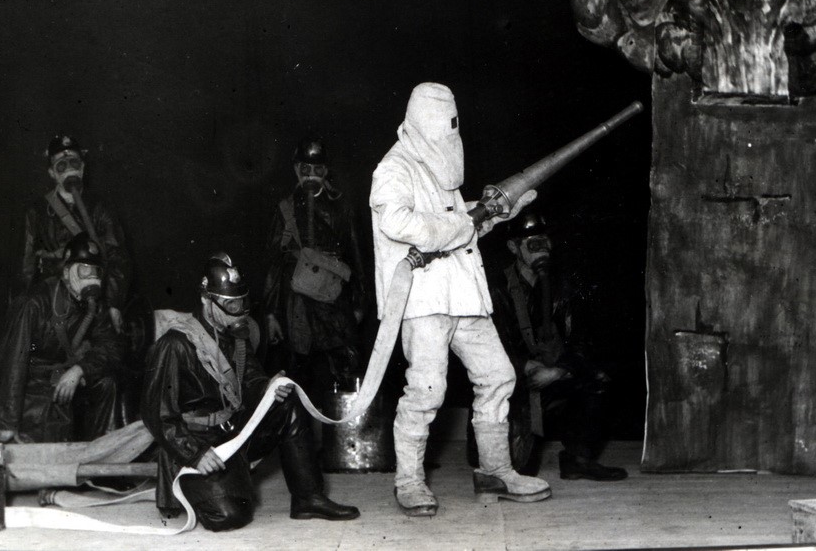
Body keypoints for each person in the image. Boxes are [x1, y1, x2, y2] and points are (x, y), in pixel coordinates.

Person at [369, 82, 549, 517]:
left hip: (464, 294)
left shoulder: (440, 163)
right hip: (423, 299)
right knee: (426, 391)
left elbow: (458, 221)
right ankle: (409, 482)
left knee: (499, 376)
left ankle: (495, 471)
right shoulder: (393, 168)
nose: (451, 135)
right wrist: (464, 223)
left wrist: (494, 212)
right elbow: (400, 222)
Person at [140, 252, 360, 531]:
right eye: (230, 304)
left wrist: (268, 388)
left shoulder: (235, 336)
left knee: (287, 403)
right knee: (230, 515)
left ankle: (308, 498)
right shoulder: (176, 344)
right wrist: (195, 453)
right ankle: (193, 490)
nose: (239, 311)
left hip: (233, 433)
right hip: (197, 443)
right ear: (206, 300)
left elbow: (250, 380)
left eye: (241, 302)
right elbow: (156, 412)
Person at [484, 211, 628, 481]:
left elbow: (582, 340)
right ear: (514, 247)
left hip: (551, 376)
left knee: (598, 380)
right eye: (533, 244)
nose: (543, 250)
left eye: (545, 242)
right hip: (514, 383)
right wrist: (524, 366)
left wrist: (558, 371)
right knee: (519, 471)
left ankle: (578, 459)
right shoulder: (496, 288)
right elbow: (485, 345)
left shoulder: (562, 286)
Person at [0, 232, 122, 443]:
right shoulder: (34, 303)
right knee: (41, 430)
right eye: (84, 270)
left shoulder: (94, 306)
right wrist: (6, 424)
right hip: (28, 383)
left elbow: (112, 347)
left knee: (106, 383)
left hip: (61, 374)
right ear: (67, 272)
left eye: (97, 271)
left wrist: (80, 370)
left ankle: (101, 452)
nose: (92, 278)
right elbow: (13, 363)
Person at [262, 137, 367, 394]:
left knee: (343, 372)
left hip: (334, 302)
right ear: (295, 168)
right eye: (304, 168)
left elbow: (358, 258)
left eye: (317, 168)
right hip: (295, 303)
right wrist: (271, 314)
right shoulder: (285, 209)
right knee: (297, 374)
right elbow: (274, 264)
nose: (310, 175)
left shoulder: (342, 207)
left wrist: (359, 304)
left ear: (326, 170)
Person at [17, 134, 130, 333]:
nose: (69, 169)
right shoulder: (37, 212)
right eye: (61, 165)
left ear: (83, 167)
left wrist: (114, 304)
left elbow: (117, 256)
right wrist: (24, 305)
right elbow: (27, 264)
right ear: (52, 173)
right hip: (53, 299)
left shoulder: (101, 208)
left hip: (94, 295)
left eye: (74, 162)